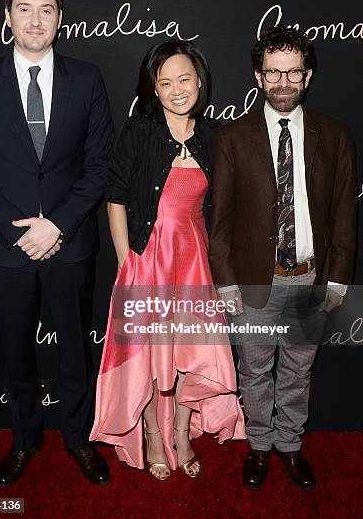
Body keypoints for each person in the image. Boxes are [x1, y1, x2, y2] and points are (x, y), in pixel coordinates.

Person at [0, 0, 114, 486]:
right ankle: (24, 440)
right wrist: (18, 230)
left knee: (75, 351)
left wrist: (58, 226)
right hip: (6, 248)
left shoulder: (87, 79)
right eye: (24, 8)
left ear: (60, 17)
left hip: (69, 246)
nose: (35, 19)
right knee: (16, 350)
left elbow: (98, 168)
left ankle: (78, 440)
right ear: (8, 15)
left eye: (46, 9)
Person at [209, 25, 357, 490]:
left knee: (297, 370)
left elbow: (344, 214)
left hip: (309, 278)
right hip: (254, 279)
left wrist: (337, 278)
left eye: (294, 71)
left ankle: (290, 446)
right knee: (254, 369)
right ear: (258, 76)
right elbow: (221, 219)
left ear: (308, 75)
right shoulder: (233, 137)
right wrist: (227, 281)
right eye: (274, 72)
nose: (284, 81)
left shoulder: (334, 136)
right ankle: (257, 446)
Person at [90, 40, 245, 480]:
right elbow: (115, 196)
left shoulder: (217, 136)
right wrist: (127, 262)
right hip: (147, 257)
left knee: (187, 353)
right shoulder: (140, 130)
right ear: (153, 90)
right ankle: (153, 434)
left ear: (200, 82)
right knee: (153, 353)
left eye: (185, 79)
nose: (177, 89)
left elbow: (227, 207)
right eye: (165, 82)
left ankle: (181, 432)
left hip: (194, 260)